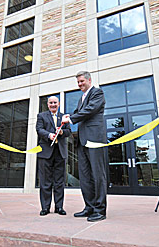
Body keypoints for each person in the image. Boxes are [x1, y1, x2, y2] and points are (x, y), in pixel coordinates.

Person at [62, 71, 107, 222]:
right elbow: (76, 113)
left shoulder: (97, 93)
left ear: (89, 80)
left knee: (97, 174)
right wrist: (65, 121)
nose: (80, 84)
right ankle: (89, 207)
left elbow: (90, 110)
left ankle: (100, 210)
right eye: (78, 82)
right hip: (82, 142)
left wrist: (71, 119)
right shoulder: (81, 98)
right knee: (85, 176)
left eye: (82, 81)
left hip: (94, 140)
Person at [36, 96, 71, 216]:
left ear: (59, 103)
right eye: (51, 103)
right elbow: (39, 129)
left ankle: (59, 207)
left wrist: (61, 132)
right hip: (46, 152)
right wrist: (49, 135)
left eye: (55, 102)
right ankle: (45, 207)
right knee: (45, 181)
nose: (53, 105)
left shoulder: (64, 117)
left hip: (60, 153)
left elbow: (68, 132)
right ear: (47, 104)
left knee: (59, 182)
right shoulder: (41, 116)